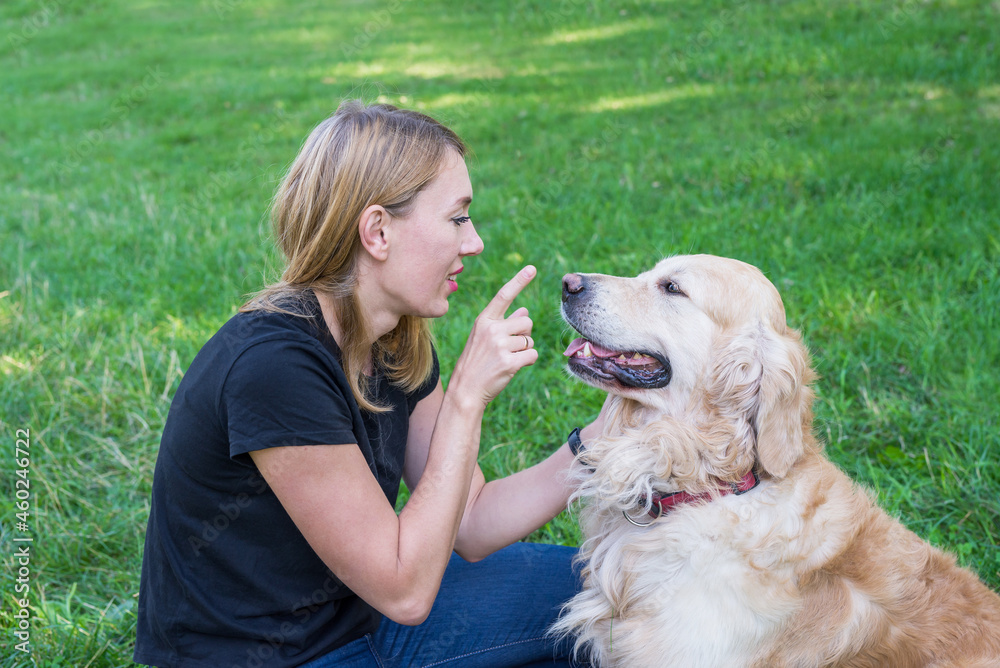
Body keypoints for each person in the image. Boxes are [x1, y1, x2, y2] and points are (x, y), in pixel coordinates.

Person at [134, 100, 604, 668]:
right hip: (289, 656)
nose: (475, 241)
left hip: (359, 619)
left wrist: (602, 438)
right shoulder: (272, 367)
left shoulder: (391, 340)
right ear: (377, 231)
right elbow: (404, 589)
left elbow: (475, 521)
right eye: (457, 218)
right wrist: (464, 401)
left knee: (626, 592)